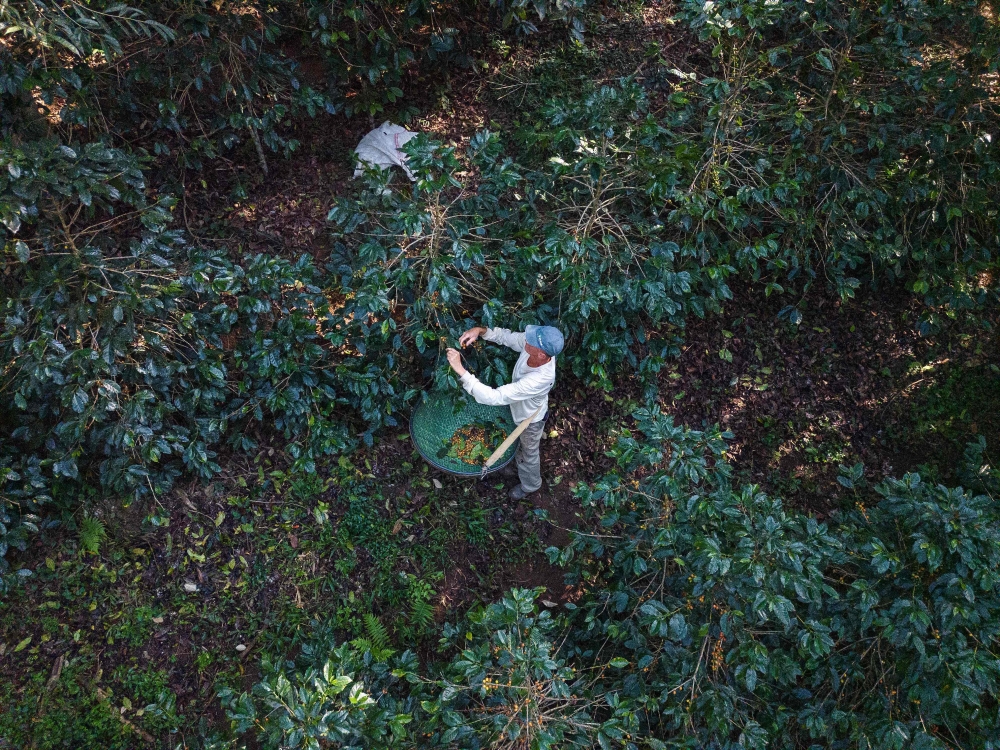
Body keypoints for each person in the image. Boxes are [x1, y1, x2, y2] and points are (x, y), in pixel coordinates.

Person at [446, 324, 564, 500]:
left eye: (531, 340)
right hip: (517, 407)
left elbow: (494, 397)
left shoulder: (540, 378)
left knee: (528, 453)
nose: (526, 338)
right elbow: (506, 337)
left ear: (541, 354)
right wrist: (479, 331)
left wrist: (460, 370)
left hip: (530, 420)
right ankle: (515, 465)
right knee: (514, 441)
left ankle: (530, 486)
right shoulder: (533, 349)